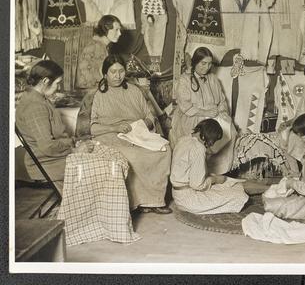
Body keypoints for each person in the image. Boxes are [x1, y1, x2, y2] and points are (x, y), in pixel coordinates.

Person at [90, 55, 172, 214]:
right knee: (134, 155)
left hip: (137, 132)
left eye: (121, 71)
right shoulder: (99, 95)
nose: (117, 76)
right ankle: (138, 201)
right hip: (111, 135)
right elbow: (93, 128)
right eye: (112, 72)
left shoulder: (134, 90)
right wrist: (115, 128)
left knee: (164, 150)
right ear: (105, 74)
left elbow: (149, 116)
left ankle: (154, 200)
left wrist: (142, 125)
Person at [16, 60, 94, 189]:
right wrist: (74, 149)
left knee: (100, 153)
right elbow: (47, 146)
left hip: (52, 158)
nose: (58, 87)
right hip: (46, 164)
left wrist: (75, 142)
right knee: (104, 165)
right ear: (45, 81)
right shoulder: (35, 106)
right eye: (58, 83)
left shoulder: (37, 98)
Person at [171, 47, 236, 174]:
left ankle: (217, 170)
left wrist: (221, 112)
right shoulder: (184, 80)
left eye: (209, 63)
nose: (206, 67)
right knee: (206, 132)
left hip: (214, 114)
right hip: (194, 116)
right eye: (203, 63)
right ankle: (199, 169)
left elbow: (222, 101)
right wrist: (205, 113)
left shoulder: (213, 79)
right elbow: (185, 106)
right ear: (195, 62)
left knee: (230, 130)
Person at [170, 119, 249, 214]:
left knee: (228, 185)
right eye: (213, 141)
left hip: (177, 194)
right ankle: (267, 188)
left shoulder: (184, 139)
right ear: (205, 136)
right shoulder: (198, 148)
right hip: (188, 199)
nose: (211, 144)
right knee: (239, 195)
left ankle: (266, 188)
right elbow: (197, 185)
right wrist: (215, 180)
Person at [76, 15, 123, 90]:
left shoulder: (101, 45)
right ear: (106, 29)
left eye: (120, 30)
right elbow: (96, 76)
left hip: (96, 87)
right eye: (116, 30)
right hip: (91, 91)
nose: (120, 33)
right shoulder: (97, 46)